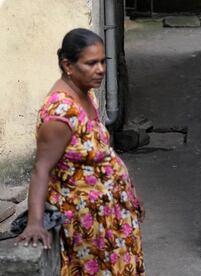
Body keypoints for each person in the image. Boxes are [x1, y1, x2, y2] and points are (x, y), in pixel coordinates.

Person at [16, 28, 145, 275]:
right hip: (89, 227)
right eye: (91, 63)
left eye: (102, 61)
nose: (101, 69)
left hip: (113, 218)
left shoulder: (86, 93)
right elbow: (41, 168)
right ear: (68, 65)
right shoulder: (61, 112)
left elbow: (100, 150)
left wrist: (130, 195)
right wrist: (34, 222)